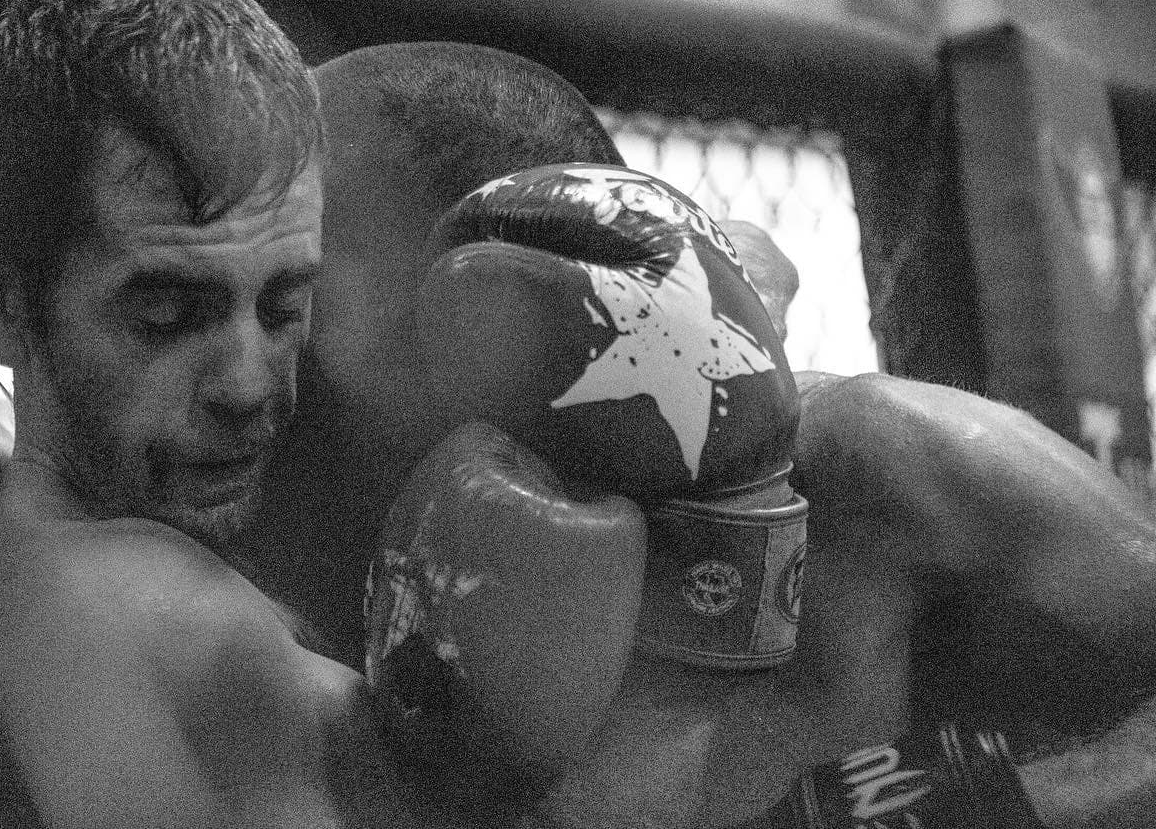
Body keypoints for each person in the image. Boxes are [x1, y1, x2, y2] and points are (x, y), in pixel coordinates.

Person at [292, 42, 1156, 828]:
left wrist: (974, 811)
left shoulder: (865, 471)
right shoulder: (300, 580)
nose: (264, 366)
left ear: (492, 297)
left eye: (298, 299)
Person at [0, 0, 634, 829]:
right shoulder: (101, 603)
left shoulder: (207, 555)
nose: (249, 383)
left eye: (287, 304)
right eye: (168, 313)